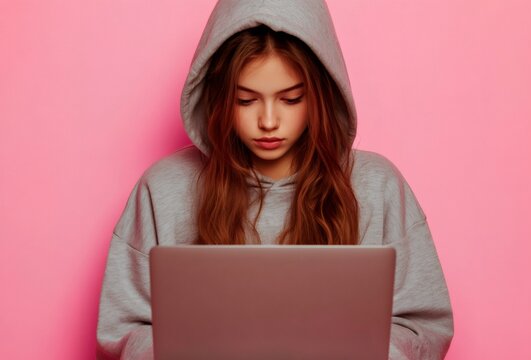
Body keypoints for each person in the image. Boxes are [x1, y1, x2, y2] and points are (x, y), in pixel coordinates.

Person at [96, 0, 454, 359]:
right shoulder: (162, 190)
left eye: (291, 99)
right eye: (246, 100)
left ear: (320, 95)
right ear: (220, 98)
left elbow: (424, 325)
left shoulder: (378, 187)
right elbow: (123, 330)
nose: (269, 121)